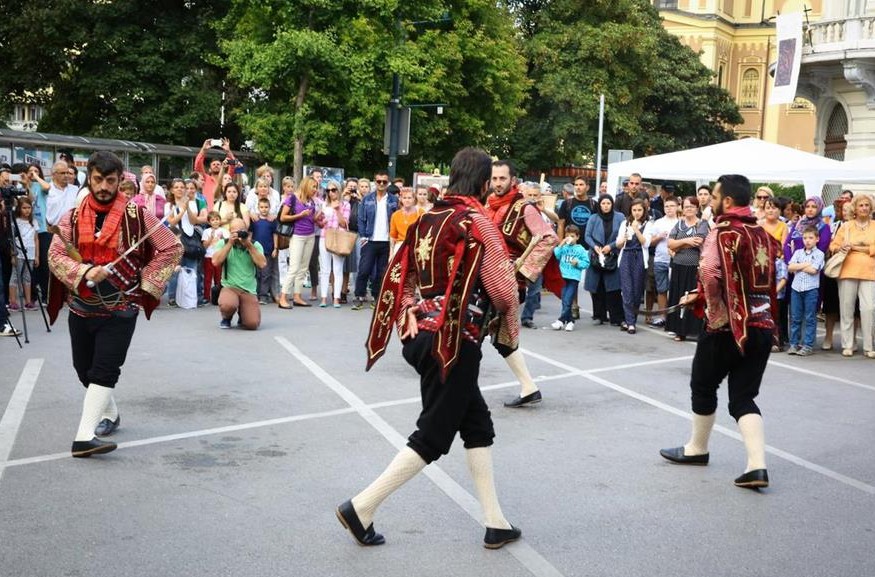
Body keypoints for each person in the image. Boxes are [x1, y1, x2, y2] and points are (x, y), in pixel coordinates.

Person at [342, 147, 522, 549]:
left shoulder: (425, 220)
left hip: (424, 336)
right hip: (455, 343)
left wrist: (412, 311)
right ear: (482, 183)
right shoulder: (478, 222)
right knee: (433, 436)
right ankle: (362, 506)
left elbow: (401, 277)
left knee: (477, 425)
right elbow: (502, 291)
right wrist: (512, 300)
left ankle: (495, 522)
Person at [47, 151, 182, 457]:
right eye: (98, 180)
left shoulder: (138, 215)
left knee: (105, 369)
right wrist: (84, 271)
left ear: (120, 180)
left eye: (110, 181)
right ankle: (110, 413)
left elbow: (171, 247)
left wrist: (143, 281)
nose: (104, 187)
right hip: (81, 307)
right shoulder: (72, 216)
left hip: (122, 306)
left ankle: (84, 438)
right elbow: (55, 254)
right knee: (84, 371)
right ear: (89, 180)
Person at [660, 174, 780, 489]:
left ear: (726, 201)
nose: (709, 202)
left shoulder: (721, 233)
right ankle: (757, 466)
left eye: (713, 197)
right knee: (743, 397)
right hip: (762, 326)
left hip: (727, 327)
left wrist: (706, 303)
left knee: (702, 385)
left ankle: (697, 449)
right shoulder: (762, 233)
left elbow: (711, 273)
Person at [486, 160, 558, 408]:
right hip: (485, 278)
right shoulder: (487, 205)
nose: (498, 183)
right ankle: (529, 387)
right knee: (500, 337)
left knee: (474, 331)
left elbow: (549, 238)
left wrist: (523, 271)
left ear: (513, 180)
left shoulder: (524, 208)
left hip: (507, 283)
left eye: (502, 178)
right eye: (494, 178)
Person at [829, 193, 875, 358]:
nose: (864, 208)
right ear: (855, 208)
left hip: (870, 272)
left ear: (871, 208)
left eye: (867, 205)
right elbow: (833, 245)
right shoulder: (846, 226)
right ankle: (848, 345)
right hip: (847, 270)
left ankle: (869, 346)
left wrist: (857, 248)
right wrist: (840, 248)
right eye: (861, 205)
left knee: (869, 309)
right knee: (846, 308)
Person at [352, 171, 398, 311]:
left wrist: (394, 239)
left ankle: (376, 297)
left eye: (384, 181)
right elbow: (361, 219)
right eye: (379, 181)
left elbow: (396, 219)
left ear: (388, 183)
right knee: (364, 269)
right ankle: (359, 296)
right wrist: (363, 236)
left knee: (381, 272)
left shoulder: (393, 200)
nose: (381, 184)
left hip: (386, 241)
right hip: (370, 239)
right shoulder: (367, 199)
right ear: (375, 182)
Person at [665, 196, 709, 342]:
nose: (689, 209)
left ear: (697, 208)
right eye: (686, 207)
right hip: (678, 266)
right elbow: (670, 244)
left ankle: (692, 330)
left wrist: (678, 245)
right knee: (678, 297)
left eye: (691, 206)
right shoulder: (679, 224)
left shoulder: (702, 224)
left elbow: (698, 241)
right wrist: (686, 241)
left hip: (694, 267)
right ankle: (678, 330)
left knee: (693, 299)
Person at [212, 218, 267, 329]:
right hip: (230, 287)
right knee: (228, 305)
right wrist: (230, 244)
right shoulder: (223, 243)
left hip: (248, 289)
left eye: (241, 231)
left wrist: (248, 245)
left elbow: (262, 264)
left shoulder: (255, 245)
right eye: (234, 232)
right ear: (230, 232)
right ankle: (227, 317)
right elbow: (215, 262)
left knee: (252, 324)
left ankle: (243, 313)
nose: (238, 234)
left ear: (246, 231)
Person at [278, 177, 321, 309]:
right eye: (313, 187)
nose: (315, 190)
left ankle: (297, 296)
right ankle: (283, 297)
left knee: (303, 267)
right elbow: (283, 217)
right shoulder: (292, 198)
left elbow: (310, 219)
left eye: (316, 187)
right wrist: (300, 215)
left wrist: (317, 217)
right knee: (294, 267)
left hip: (310, 235)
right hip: (297, 235)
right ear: (306, 185)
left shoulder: (311, 200)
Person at [584, 194, 625, 327]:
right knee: (597, 286)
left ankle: (616, 317)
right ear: (599, 205)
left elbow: (623, 235)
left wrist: (611, 246)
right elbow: (587, 236)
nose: (606, 206)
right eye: (603, 203)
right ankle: (599, 315)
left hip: (613, 255)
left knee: (614, 288)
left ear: (612, 204)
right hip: (596, 255)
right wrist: (595, 247)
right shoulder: (593, 218)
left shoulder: (620, 217)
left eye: (608, 203)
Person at [615, 198, 652, 334]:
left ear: (644, 211)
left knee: (637, 291)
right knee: (627, 290)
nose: (637, 213)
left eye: (639, 210)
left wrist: (636, 230)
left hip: (639, 257)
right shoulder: (625, 223)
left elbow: (646, 243)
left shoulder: (648, 224)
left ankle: (630, 320)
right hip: (626, 256)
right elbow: (618, 244)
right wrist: (623, 239)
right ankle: (630, 323)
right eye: (634, 210)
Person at [787, 227, 825, 356]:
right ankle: (794, 344)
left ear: (817, 239)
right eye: (805, 238)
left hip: (810, 289)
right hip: (796, 288)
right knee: (795, 317)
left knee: (810, 318)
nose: (807, 241)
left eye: (811, 238)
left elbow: (814, 270)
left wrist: (798, 266)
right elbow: (790, 267)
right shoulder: (798, 252)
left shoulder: (819, 254)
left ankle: (808, 345)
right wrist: (806, 264)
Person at [317, 182, 350, 307]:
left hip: (339, 237)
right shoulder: (324, 204)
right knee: (324, 269)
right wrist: (320, 219)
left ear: (339, 190)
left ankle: (336, 298)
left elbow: (344, 224)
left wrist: (337, 210)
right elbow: (319, 223)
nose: (331, 192)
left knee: (338, 269)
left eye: (334, 190)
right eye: (328, 190)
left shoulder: (345, 204)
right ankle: (324, 298)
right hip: (324, 236)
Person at [551, 225, 589, 331]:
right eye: (567, 236)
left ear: (577, 237)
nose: (570, 238)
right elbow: (556, 254)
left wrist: (578, 262)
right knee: (564, 300)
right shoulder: (564, 248)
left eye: (572, 236)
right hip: (563, 277)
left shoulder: (580, 249)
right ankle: (570, 321)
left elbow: (586, 263)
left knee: (568, 300)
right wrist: (561, 243)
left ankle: (561, 320)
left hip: (573, 278)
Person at [648, 196, 678, 327]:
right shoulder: (658, 223)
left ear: (677, 207)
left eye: (672, 206)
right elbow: (650, 242)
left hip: (675, 260)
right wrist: (659, 237)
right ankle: (662, 317)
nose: (669, 209)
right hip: (660, 259)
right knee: (661, 289)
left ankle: (674, 317)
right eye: (666, 206)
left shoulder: (680, 222)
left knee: (675, 290)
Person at [8, 196, 39, 311]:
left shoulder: (34, 222)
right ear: (19, 209)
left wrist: (37, 255)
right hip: (19, 253)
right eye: (24, 208)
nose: (27, 210)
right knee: (15, 277)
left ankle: (28, 301)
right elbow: (12, 239)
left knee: (27, 277)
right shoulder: (16, 222)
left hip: (30, 253)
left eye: (29, 208)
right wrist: (13, 255)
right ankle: (13, 301)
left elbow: (36, 239)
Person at [251, 198, 279, 305]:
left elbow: (275, 234)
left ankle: (263, 296)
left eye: (266, 207)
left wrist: (275, 248)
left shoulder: (272, 221)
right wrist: (250, 248)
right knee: (256, 273)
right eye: (261, 207)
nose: (264, 209)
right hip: (256, 251)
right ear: (258, 208)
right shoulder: (255, 221)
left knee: (266, 274)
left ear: (269, 208)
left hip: (268, 251)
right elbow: (250, 235)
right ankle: (255, 294)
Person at [201, 211, 229, 303]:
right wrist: (211, 238)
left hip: (219, 257)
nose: (215, 221)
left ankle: (218, 297)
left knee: (219, 277)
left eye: (217, 219)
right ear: (209, 222)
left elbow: (228, 243)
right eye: (213, 220)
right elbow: (204, 245)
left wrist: (222, 238)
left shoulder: (224, 231)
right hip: (209, 256)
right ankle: (206, 297)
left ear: (220, 220)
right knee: (208, 278)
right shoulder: (206, 231)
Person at [389, 188, 423, 256]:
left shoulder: (420, 213)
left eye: (409, 198)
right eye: (404, 198)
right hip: (400, 245)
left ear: (414, 199)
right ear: (401, 199)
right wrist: (391, 253)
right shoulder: (395, 215)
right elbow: (393, 236)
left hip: (416, 245)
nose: (407, 200)